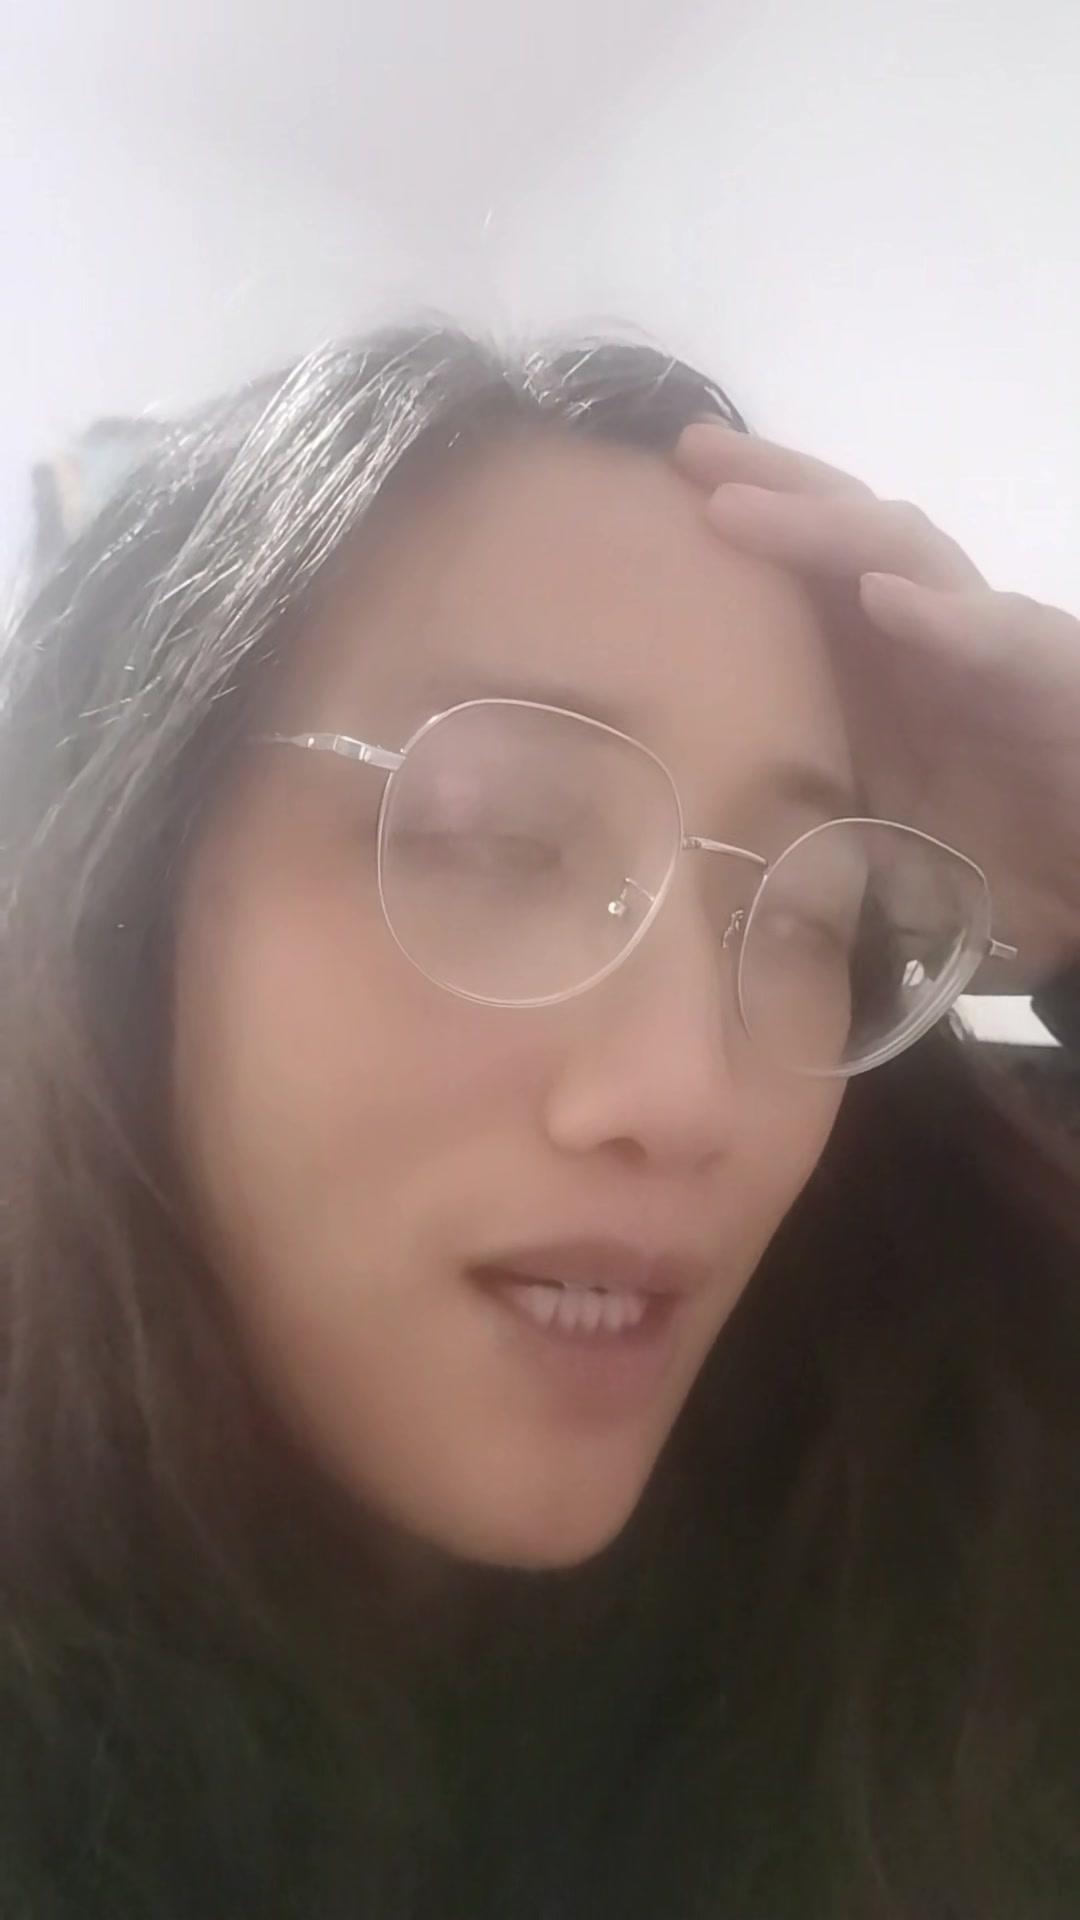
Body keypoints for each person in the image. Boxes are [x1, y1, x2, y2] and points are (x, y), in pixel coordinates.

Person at [2, 325, 1078, 1919]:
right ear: (123, 878)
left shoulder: (951, 1553)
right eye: (499, 841)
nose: (690, 1098)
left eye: (805, 916)